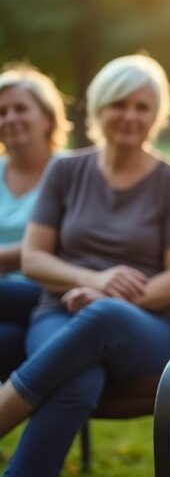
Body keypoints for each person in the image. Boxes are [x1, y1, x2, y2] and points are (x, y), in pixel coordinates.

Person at [0, 54, 170, 477]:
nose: (130, 116)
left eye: (142, 106)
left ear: (156, 115)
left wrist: (113, 297)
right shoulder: (66, 171)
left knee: (105, 314)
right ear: (97, 109)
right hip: (59, 311)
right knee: (79, 380)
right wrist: (96, 279)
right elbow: (34, 258)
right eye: (118, 104)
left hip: (147, 326)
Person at [0, 63, 70, 379]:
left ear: (47, 118)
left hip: (49, 293)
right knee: (8, 340)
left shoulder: (72, 171)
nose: (10, 118)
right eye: (2, 112)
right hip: (14, 314)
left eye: (20, 109)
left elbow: (64, 241)